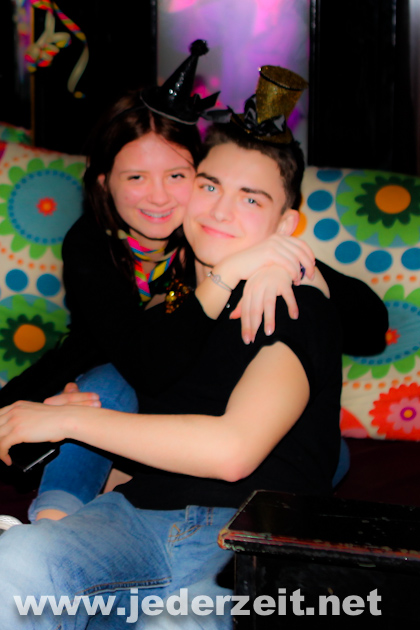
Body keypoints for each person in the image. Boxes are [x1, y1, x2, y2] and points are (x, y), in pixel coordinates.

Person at [0, 65, 373, 628]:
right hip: (134, 513)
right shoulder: (149, 299)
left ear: (284, 223)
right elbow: (146, 380)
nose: (220, 210)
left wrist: (295, 265)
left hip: (245, 529)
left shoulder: (295, 299)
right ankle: (52, 516)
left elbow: (231, 450)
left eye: (251, 199)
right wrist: (54, 422)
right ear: (104, 183)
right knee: (19, 560)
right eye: (210, 187)